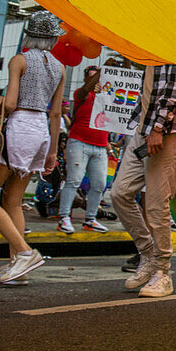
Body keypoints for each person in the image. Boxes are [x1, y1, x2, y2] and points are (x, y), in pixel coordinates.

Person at [0, 12, 65, 284]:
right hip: (40, 131)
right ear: (52, 39)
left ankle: (25, 254)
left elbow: (10, 104)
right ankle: (18, 268)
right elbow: (56, 113)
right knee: (12, 200)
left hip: (19, 126)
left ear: (29, 34)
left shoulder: (19, 60)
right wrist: (52, 152)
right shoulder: (59, 67)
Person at [111, 63, 176, 297]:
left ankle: (162, 272)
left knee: (157, 203)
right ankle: (147, 254)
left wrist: (158, 127)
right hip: (143, 129)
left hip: (167, 130)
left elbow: (175, 87)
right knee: (120, 192)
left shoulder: (174, 44)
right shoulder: (149, 48)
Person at [56, 65, 110, 234]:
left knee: (99, 184)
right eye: (92, 77)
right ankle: (64, 217)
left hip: (100, 145)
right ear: (87, 79)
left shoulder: (107, 97)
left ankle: (90, 219)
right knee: (74, 180)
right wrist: (104, 70)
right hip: (80, 142)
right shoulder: (81, 93)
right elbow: (86, 89)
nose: (96, 81)